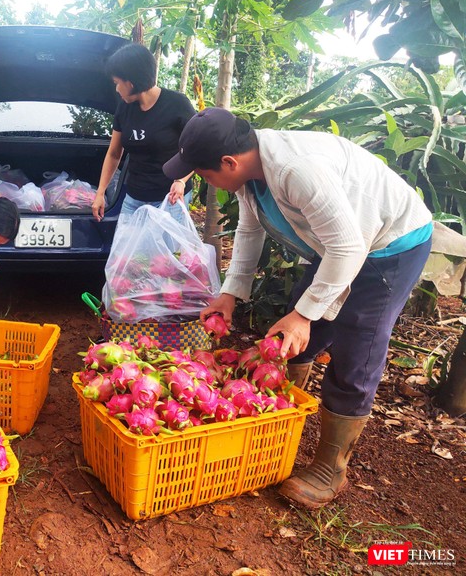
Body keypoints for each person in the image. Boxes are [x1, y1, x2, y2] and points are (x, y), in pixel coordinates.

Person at [165, 108, 433, 509]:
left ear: (229, 162)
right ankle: (281, 417)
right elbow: (249, 230)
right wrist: (230, 293)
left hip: (389, 246)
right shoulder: (251, 174)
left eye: (204, 175)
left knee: (357, 346)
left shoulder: (297, 170)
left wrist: (306, 315)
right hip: (339, 246)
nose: (206, 183)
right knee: (291, 336)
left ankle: (330, 468)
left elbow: (349, 248)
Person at [91, 44, 196, 224]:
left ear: (131, 82)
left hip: (170, 197)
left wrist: (181, 180)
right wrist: (100, 192)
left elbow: (198, 148)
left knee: (164, 244)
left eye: (117, 83)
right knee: (125, 243)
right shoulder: (124, 108)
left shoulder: (177, 104)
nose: (116, 89)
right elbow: (114, 153)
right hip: (134, 197)